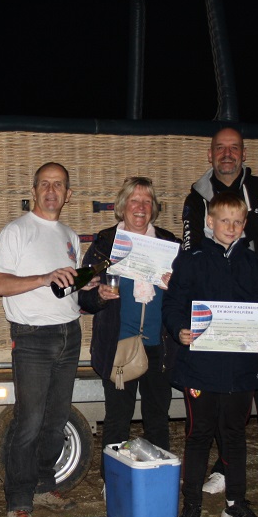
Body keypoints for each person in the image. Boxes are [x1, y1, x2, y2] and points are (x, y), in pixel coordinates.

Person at [182, 127, 258, 501]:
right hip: (220, 321)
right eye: (221, 148)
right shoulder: (197, 197)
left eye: (234, 148)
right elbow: (190, 250)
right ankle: (223, 468)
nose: (227, 154)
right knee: (225, 401)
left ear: (244, 153)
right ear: (210, 154)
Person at [165, 192, 258, 517]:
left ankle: (236, 503)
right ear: (209, 223)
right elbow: (174, 303)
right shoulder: (192, 259)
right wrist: (179, 329)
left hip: (241, 370)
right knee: (198, 436)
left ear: (245, 225)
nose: (231, 227)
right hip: (201, 368)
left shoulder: (256, 265)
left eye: (237, 221)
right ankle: (191, 505)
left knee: (235, 436)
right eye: (223, 220)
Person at [0, 162, 82, 517]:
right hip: (32, 339)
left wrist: (90, 289)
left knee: (56, 422)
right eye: (45, 184)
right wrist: (44, 278)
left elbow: (67, 288)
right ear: (35, 190)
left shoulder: (71, 236)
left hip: (69, 334)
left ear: (68, 194)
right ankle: (19, 503)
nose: (51, 190)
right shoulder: (16, 231)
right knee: (28, 423)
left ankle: (44, 486)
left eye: (59, 185)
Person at [78, 177, 179, 467]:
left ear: (154, 209)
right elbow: (82, 298)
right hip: (118, 345)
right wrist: (98, 295)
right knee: (117, 420)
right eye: (134, 200)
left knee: (158, 420)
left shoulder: (169, 244)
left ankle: (158, 474)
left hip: (159, 347)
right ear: (122, 207)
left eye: (147, 201)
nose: (141, 207)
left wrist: (176, 287)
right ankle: (113, 481)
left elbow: (187, 295)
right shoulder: (103, 244)